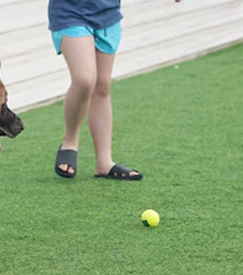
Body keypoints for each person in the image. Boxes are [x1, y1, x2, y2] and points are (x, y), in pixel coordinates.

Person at [50, 0, 181, 181]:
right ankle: (70, 142)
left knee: (102, 86)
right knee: (85, 79)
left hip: (107, 13)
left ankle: (104, 163)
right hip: (71, 11)